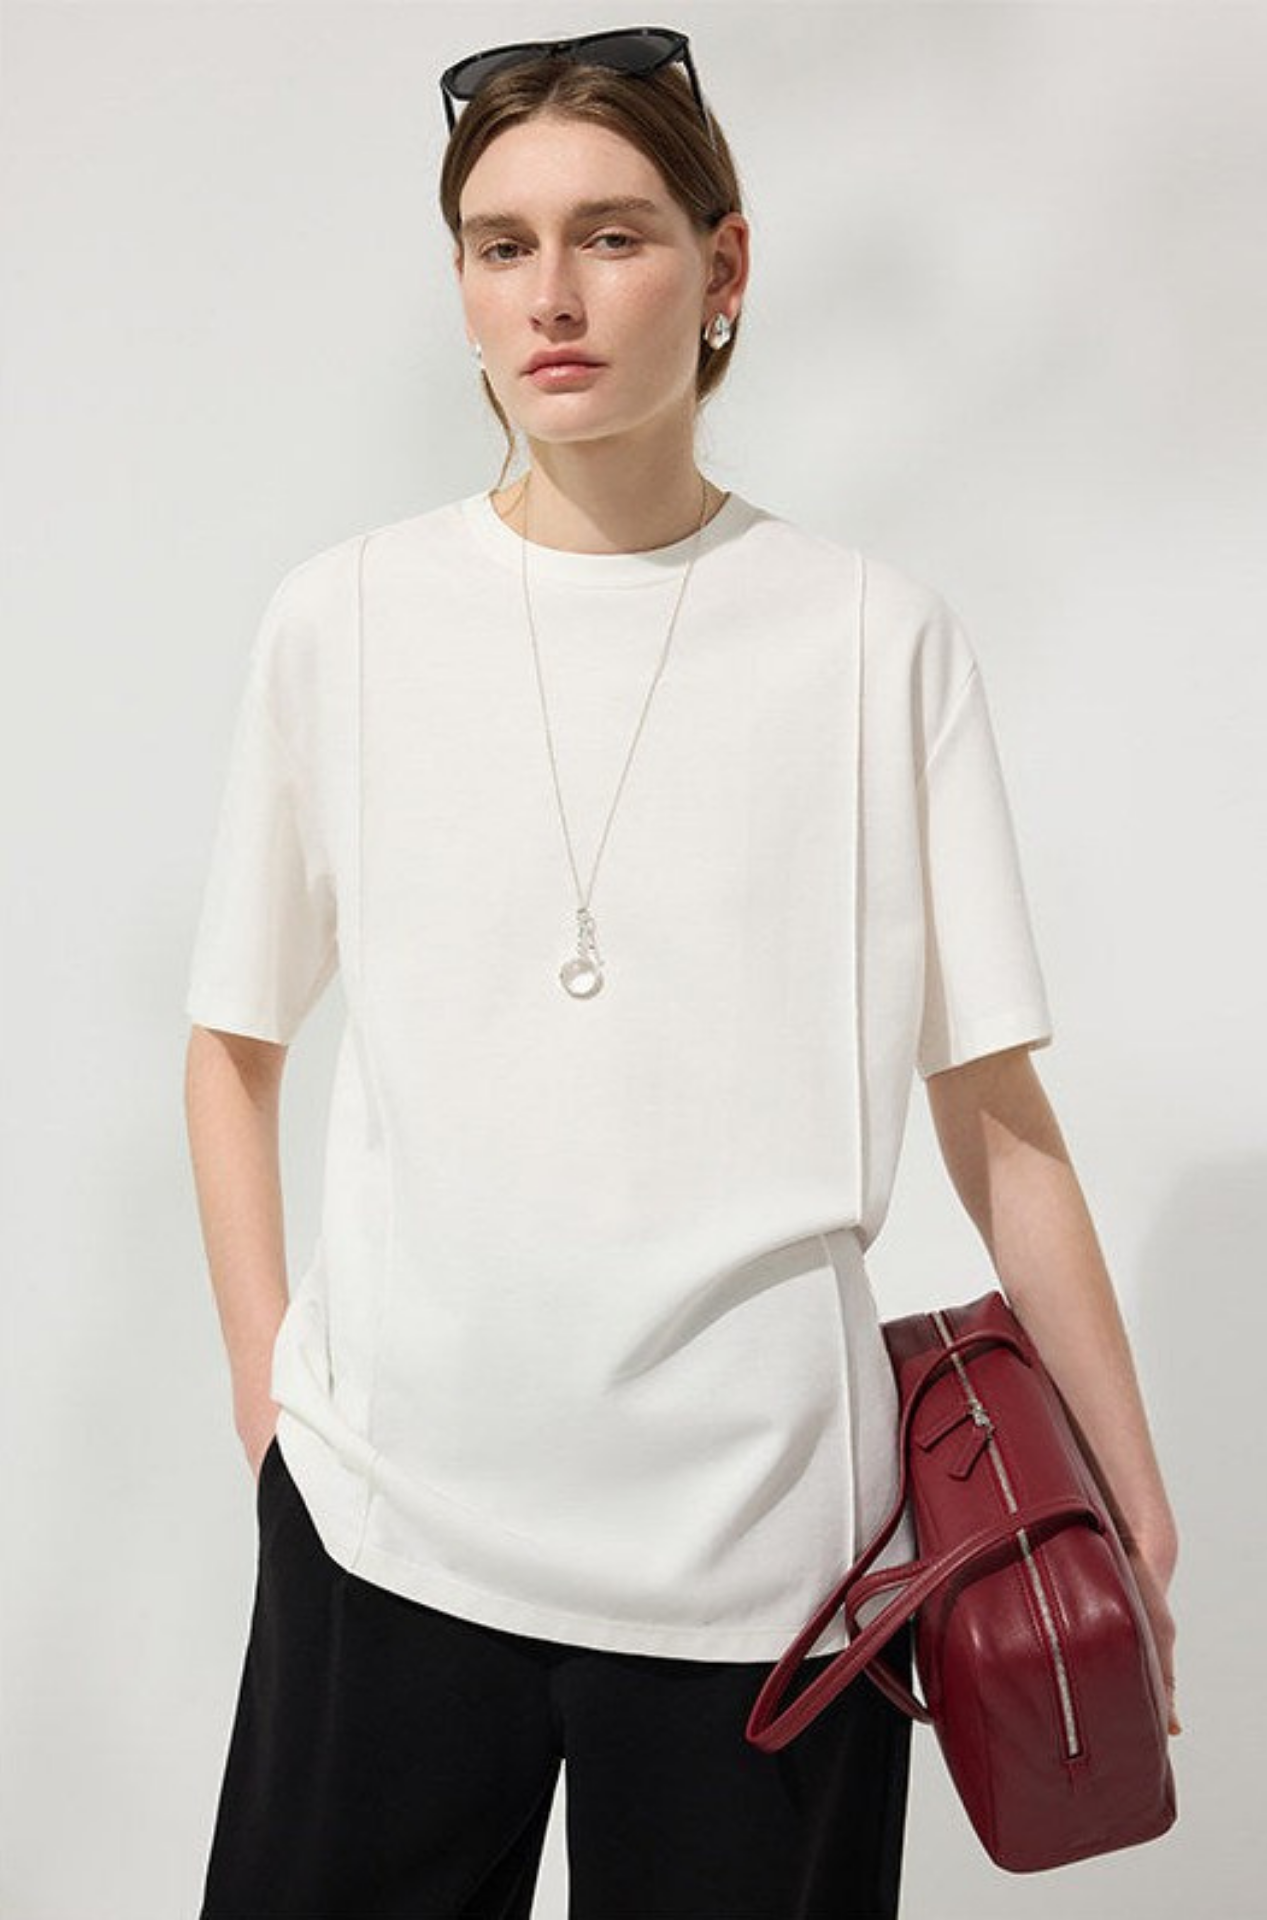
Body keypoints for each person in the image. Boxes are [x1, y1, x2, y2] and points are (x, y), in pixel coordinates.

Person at [183, 26, 1180, 1920]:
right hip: (387, 1533)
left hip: (774, 1575)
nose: (550, 296)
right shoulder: (346, 621)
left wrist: (1130, 1510)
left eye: (613, 235)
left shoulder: (875, 640)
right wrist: (273, 1412)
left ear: (725, 267)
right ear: (462, 285)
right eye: (501, 245)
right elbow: (230, 1043)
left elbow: (994, 1107)